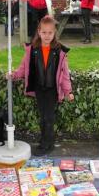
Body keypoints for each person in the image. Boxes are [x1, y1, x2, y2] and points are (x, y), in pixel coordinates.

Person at [9, 16, 75, 156]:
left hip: (52, 90)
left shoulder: (59, 51)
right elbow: (23, 67)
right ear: (39, 32)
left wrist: (68, 91)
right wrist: (14, 75)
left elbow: (64, 74)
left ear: (54, 32)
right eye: (44, 32)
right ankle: (45, 142)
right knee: (43, 116)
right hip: (39, 88)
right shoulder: (32, 49)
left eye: (50, 33)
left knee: (49, 117)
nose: (47, 35)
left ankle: (47, 144)